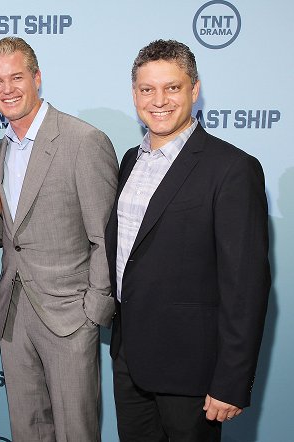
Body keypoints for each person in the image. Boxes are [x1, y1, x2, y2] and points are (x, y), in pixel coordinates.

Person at [105, 39, 271, 441]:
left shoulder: (232, 168)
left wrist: (231, 380)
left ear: (194, 90)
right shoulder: (130, 159)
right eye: (147, 89)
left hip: (192, 371)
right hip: (130, 361)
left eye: (172, 88)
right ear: (134, 94)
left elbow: (245, 286)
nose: (158, 100)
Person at [0, 37, 118, 441]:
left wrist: (92, 310)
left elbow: (104, 237)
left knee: (76, 432)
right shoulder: (5, 146)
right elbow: (17, 228)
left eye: (16, 77)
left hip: (70, 318)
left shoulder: (83, 141)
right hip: (14, 315)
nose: (7, 89)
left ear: (37, 78)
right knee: (28, 431)